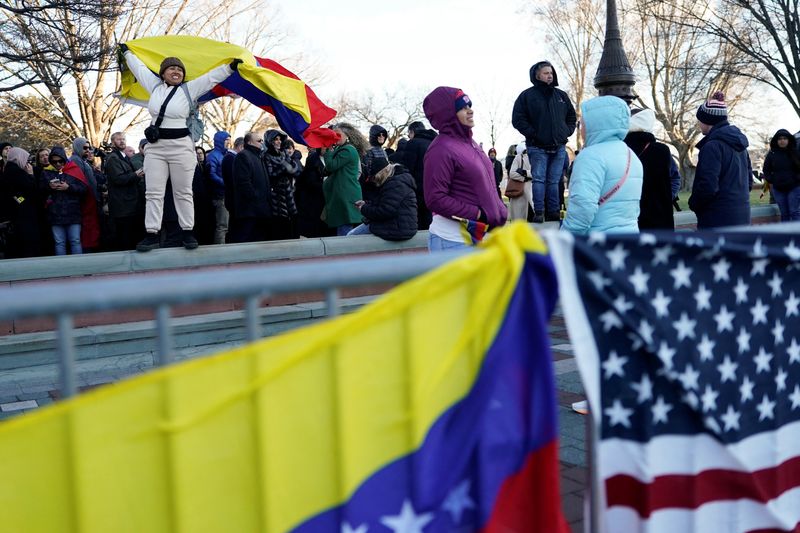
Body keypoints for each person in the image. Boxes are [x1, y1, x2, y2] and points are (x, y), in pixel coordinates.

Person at [120, 44, 239, 251]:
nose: (176, 72)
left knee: (183, 192)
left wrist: (230, 66)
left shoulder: (189, 89)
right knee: (153, 193)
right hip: (156, 148)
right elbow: (138, 68)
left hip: (181, 148)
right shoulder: (154, 86)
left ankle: (187, 232)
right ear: (163, 73)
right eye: (171, 69)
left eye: (180, 70)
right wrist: (126, 53)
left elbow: (211, 77)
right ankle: (151, 234)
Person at [422, 86, 507, 251]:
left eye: (469, 106)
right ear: (448, 114)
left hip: (480, 238)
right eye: (462, 107)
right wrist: (478, 214)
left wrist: (500, 209)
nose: (470, 111)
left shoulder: (473, 145)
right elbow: (435, 198)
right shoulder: (440, 149)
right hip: (453, 240)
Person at [561, 95, 643, 235]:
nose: (580, 128)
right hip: (629, 239)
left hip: (597, 244)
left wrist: (563, 238)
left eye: (582, 122)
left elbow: (582, 209)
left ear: (596, 123)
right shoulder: (631, 154)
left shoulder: (590, 156)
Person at [512, 60, 577, 222]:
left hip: (559, 145)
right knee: (539, 179)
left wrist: (566, 132)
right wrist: (533, 134)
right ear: (537, 75)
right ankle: (539, 212)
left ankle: (553, 212)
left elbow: (571, 116)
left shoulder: (561, 95)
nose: (550, 75)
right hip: (537, 146)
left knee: (554, 181)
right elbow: (518, 119)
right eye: (546, 73)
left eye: (551, 73)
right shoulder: (527, 96)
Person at [688, 91, 752, 229]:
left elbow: (708, 186)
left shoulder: (712, 146)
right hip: (742, 215)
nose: (698, 123)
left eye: (699, 119)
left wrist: (693, 203)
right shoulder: (741, 146)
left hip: (717, 218)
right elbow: (749, 182)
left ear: (708, 120)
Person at [624, 108, 675, 230]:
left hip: (629, 215)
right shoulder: (662, 150)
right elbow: (674, 178)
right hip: (660, 215)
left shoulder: (620, 149)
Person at [348, 158, 417, 241]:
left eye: (374, 177)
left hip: (396, 228)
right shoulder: (397, 180)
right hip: (400, 225)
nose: (374, 180)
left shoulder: (395, 184)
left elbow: (385, 211)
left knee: (351, 236)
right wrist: (366, 203)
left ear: (382, 173)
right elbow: (386, 204)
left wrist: (363, 208)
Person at [322, 123, 366, 236]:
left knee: (344, 227)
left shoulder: (347, 150)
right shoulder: (343, 149)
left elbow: (331, 166)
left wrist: (327, 151)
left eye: (338, 134)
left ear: (347, 136)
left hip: (345, 195)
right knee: (344, 225)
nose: (335, 137)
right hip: (344, 193)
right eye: (334, 134)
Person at [41, 146, 87, 255]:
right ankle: (61, 269)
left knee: (75, 240)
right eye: (54, 161)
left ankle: (78, 267)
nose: (57, 164)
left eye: (60, 161)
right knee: (59, 242)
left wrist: (69, 187)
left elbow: (84, 189)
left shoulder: (74, 169)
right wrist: (49, 187)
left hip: (73, 212)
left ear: (64, 159)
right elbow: (40, 191)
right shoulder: (46, 172)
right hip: (55, 213)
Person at [104, 132, 146, 250]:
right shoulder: (113, 158)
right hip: (122, 206)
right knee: (124, 237)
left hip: (130, 204)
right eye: (118, 139)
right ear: (113, 142)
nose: (122, 141)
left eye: (123, 139)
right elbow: (118, 179)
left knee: (131, 236)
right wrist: (136, 175)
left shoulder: (124, 157)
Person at [1, 147, 44, 257]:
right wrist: (30, 175)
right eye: (25, 159)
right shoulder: (17, 172)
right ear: (18, 158)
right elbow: (30, 189)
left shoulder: (9, 170)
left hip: (18, 212)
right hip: (24, 214)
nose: (27, 162)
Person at [231, 131, 271, 243]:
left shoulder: (259, 157)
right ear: (249, 142)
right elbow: (243, 183)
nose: (262, 143)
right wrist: (255, 198)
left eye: (262, 140)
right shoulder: (243, 156)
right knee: (247, 240)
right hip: (250, 211)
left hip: (261, 211)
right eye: (259, 141)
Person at [262, 129, 299, 240]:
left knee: (293, 219)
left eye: (280, 139)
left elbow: (294, 169)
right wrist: (284, 168)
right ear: (270, 141)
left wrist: (291, 167)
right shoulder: (266, 156)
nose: (279, 142)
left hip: (289, 192)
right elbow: (270, 174)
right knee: (281, 224)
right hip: (277, 195)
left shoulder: (283, 153)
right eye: (276, 139)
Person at [404, 121, 437, 230]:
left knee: (417, 220)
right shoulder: (434, 143)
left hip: (417, 189)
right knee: (429, 219)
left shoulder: (412, 143)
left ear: (412, 132)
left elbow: (408, 168)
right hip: (434, 187)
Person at [761, 128, 800, 221]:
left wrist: (796, 179)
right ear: (776, 141)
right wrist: (771, 179)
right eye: (780, 139)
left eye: (784, 138)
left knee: (794, 211)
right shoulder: (772, 154)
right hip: (778, 188)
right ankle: (785, 234)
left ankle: (797, 234)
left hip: (794, 187)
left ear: (789, 140)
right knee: (784, 213)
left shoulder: (796, 152)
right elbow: (766, 169)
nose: (782, 141)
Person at [294, 148, 330, 238]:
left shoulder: (332, 158)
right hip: (314, 198)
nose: (328, 148)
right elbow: (310, 180)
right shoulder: (313, 158)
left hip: (325, 196)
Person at [205, 131, 231, 244]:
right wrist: (226, 183)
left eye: (229, 140)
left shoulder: (226, 155)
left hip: (226, 194)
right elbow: (211, 174)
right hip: (219, 196)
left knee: (226, 226)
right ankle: (220, 252)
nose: (229, 143)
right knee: (222, 226)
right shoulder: (213, 156)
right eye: (226, 140)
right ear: (220, 141)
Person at [361, 124, 389, 202]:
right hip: (372, 185)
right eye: (379, 135)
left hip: (383, 184)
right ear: (373, 136)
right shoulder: (368, 150)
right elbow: (367, 169)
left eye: (383, 135)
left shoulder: (383, 151)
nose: (381, 136)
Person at [507, 143, 533, 222]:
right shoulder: (518, 158)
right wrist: (524, 178)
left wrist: (525, 172)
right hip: (520, 189)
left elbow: (537, 173)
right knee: (520, 218)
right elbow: (512, 174)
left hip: (532, 188)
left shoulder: (535, 156)